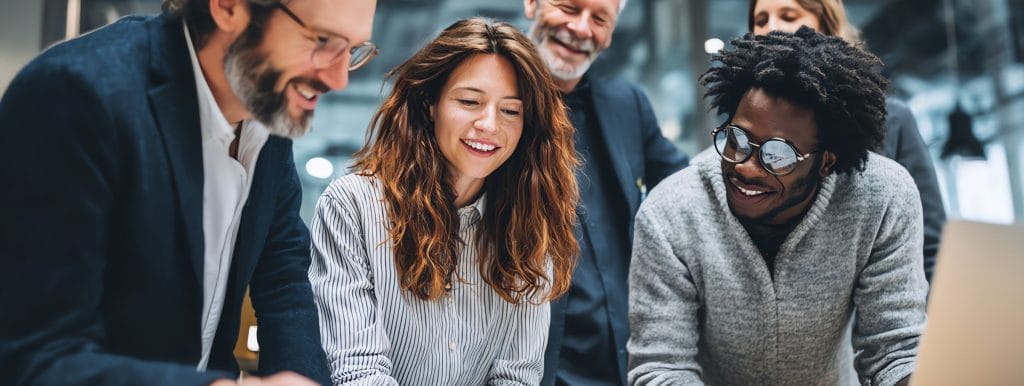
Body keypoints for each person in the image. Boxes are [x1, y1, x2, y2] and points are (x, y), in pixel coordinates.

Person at [0, 0, 377, 384]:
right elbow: (36, 357)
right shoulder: (76, 95)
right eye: (323, 39)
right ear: (228, 7)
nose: (339, 78)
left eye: (353, 49)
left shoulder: (265, 113)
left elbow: (282, 276)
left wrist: (302, 377)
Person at [627, 28, 928, 385]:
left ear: (826, 161)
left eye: (777, 155)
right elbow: (661, 368)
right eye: (736, 139)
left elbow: (894, 350)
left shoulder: (882, 197)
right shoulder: (671, 213)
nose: (745, 167)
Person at [308, 17, 580, 385]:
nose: (489, 124)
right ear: (430, 104)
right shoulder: (353, 206)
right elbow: (359, 372)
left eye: (510, 110)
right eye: (470, 101)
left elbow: (516, 377)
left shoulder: (530, 230)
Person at [522, 1, 690, 384]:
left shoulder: (627, 103)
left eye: (599, 19)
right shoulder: (494, 102)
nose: (582, 29)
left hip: (625, 363)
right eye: (569, 7)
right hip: (531, 366)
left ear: (611, 33)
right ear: (532, 4)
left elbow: (687, 188)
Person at [749, 0, 945, 282]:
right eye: (761, 20)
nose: (772, 28)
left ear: (826, 27)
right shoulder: (745, 137)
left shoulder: (892, 120)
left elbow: (930, 245)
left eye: (789, 15)